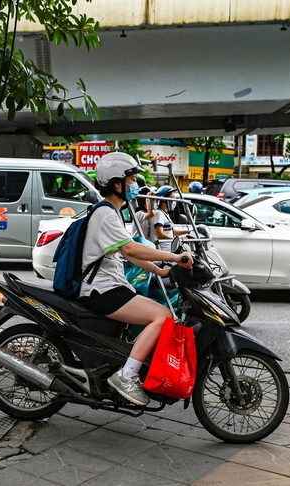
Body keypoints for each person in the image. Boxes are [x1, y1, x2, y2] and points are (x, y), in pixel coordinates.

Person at [79, 152, 193, 406]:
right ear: (116, 183)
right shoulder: (105, 214)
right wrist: (174, 258)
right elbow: (130, 249)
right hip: (102, 290)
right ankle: (127, 375)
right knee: (163, 315)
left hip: (111, 285)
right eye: (131, 179)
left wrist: (160, 270)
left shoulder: (111, 212)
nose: (134, 185)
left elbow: (127, 251)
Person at [149, 185, 190, 251]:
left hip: (170, 248)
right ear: (164, 199)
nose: (173, 200)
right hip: (164, 250)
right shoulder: (158, 214)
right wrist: (176, 240)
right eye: (172, 198)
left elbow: (170, 232)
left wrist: (188, 232)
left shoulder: (165, 214)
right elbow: (160, 235)